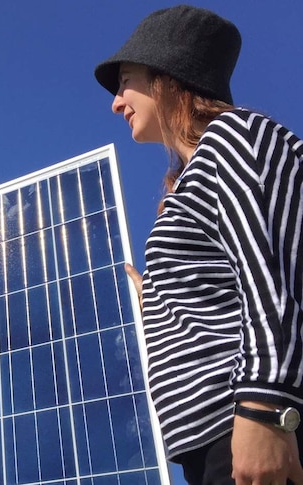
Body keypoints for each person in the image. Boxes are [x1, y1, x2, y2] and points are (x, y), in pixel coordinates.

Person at [94, 5, 303, 484]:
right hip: (213, 438)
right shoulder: (195, 175)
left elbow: (271, 274)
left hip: (248, 424)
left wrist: (266, 405)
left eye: (125, 79)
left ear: (167, 73)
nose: (116, 102)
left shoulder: (233, 138)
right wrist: (159, 298)